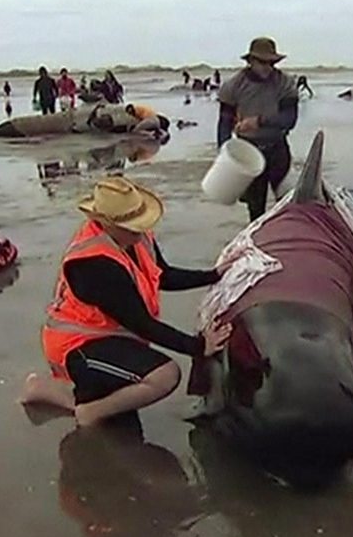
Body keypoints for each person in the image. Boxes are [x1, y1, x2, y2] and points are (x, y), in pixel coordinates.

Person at [20, 176, 233, 426]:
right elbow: (141, 324)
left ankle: (50, 390)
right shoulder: (94, 264)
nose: (140, 229)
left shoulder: (136, 236)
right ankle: (88, 411)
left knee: (130, 387)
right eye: (132, 226)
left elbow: (162, 274)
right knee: (165, 375)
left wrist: (214, 274)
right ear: (105, 223)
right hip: (77, 345)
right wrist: (198, 346)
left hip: (111, 335)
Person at [217, 36, 299, 221]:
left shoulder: (284, 83)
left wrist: (258, 121)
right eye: (262, 62)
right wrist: (224, 154)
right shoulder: (233, 86)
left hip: (277, 148)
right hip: (249, 152)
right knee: (255, 209)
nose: (267, 67)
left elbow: (290, 119)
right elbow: (224, 123)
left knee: (287, 203)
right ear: (250, 61)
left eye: (271, 63)